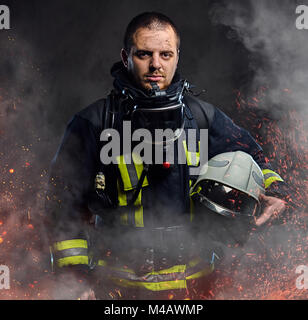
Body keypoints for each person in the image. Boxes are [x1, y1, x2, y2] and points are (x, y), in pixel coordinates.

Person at [45, 12, 289, 300]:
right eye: (144, 54)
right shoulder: (93, 123)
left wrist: (274, 191)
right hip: (115, 291)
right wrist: (77, 280)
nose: (155, 65)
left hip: (195, 290)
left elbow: (255, 159)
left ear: (176, 57)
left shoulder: (202, 118)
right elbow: (61, 206)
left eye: (165, 54)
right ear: (126, 57)